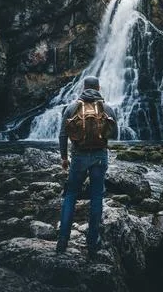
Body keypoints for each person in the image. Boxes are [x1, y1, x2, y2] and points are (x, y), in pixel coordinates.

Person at [56, 76, 118, 258]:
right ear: (98, 88)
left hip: (78, 156)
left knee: (71, 194)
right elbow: (115, 134)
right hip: (99, 156)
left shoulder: (72, 107)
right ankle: (92, 244)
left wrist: (64, 158)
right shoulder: (107, 108)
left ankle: (62, 241)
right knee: (97, 196)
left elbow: (62, 135)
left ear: (83, 88)